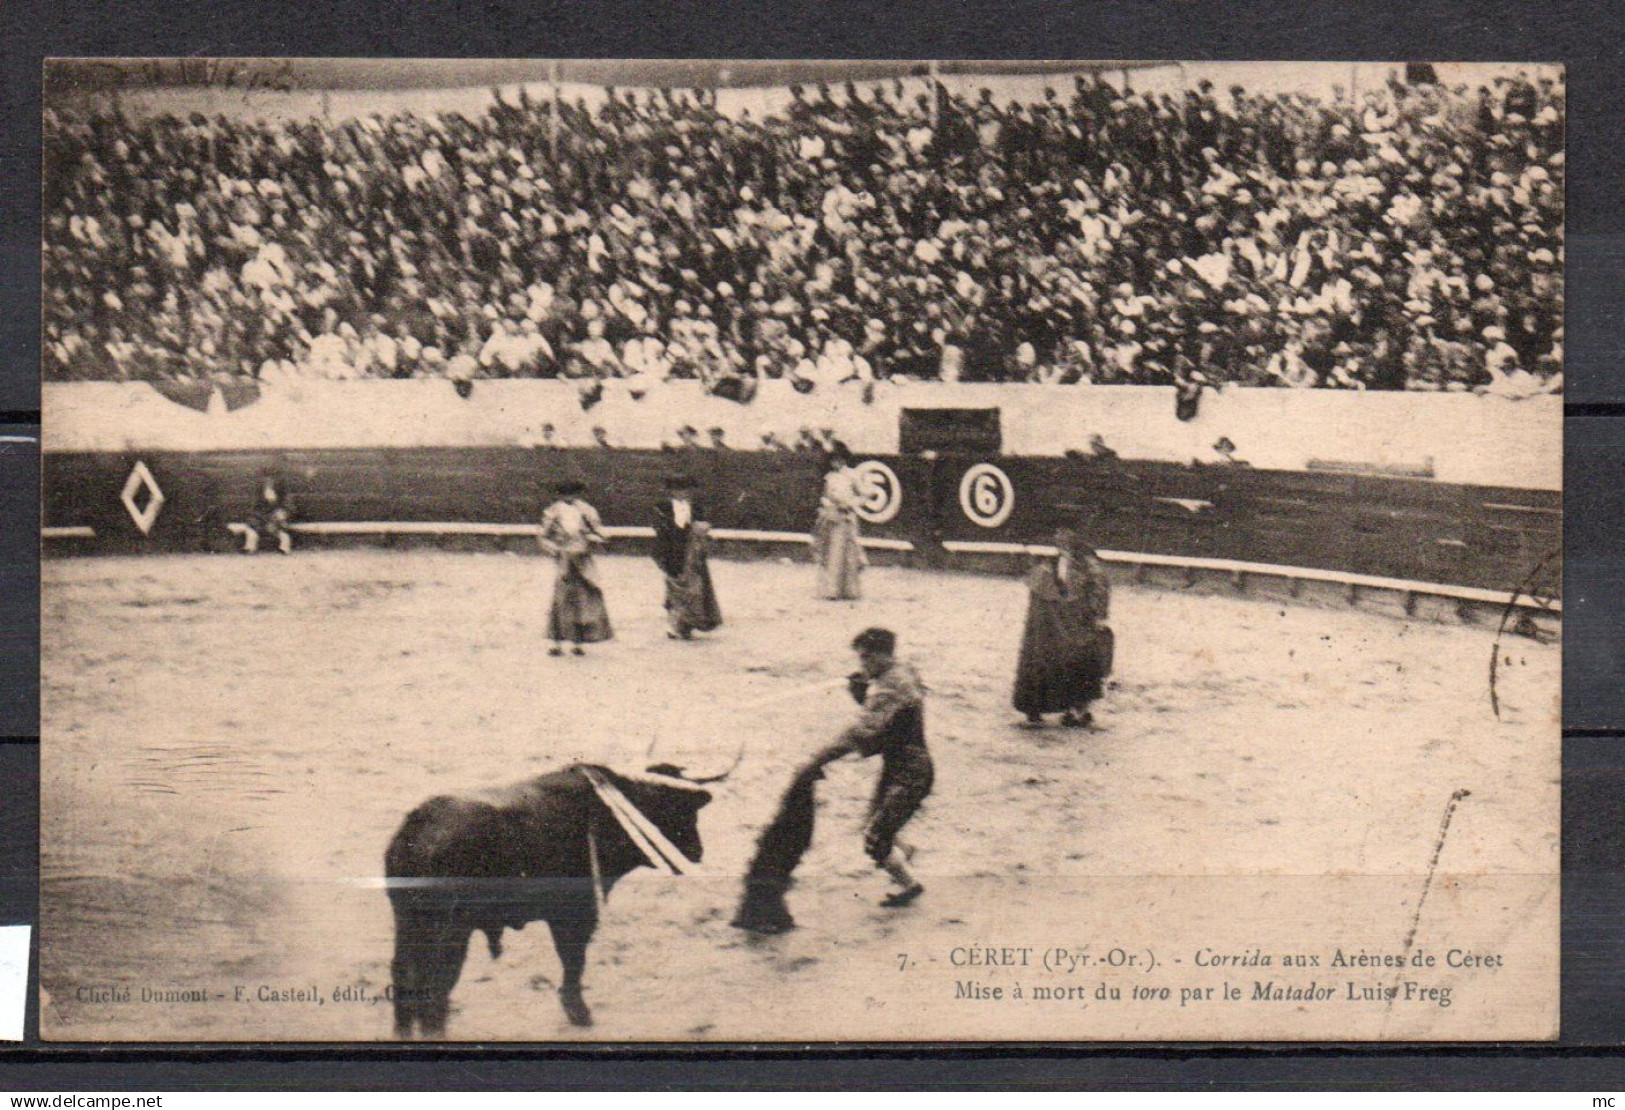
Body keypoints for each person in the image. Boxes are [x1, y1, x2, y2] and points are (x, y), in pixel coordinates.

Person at [809, 627, 932, 908]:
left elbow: (864, 730)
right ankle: (905, 854)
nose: (862, 665)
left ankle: (909, 885)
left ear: (882, 655)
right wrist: (862, 691)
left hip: (909, 772)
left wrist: (820, 758)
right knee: (877, 824)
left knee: (875, 837)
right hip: (904, 766)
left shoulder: (891, 686)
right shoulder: (901, 672)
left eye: (866, 659)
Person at [1012, 528, 1114, 729]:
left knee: (1072, 660)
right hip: (1063, 620)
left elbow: (1099, 589)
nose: (1060, 541)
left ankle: (1073, 708)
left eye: (1065, 538)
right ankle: (1069, 708)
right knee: (1068, 660)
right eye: (1059, 537)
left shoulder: (1083, 564)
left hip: (1077, 619)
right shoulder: (1057, 565)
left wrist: (1099, 615)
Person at [538, 478, 613, 656]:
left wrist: (604, 536)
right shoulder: (553, 511)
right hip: (564, 559)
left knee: (582, 599)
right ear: (560, 494)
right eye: (565, 493)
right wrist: (554, 550)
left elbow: (598, 529)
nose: (569, 497)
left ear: (578, 494)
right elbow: (542, 537)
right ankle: (556, 643)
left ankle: (578, 642)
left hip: (582, 559)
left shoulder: (587, 510)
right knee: (562, 599)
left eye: (573, 493)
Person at [652, 473, 722, 640]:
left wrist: (701, 530)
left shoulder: (696, 507)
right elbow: (659, 529)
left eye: (685, 489)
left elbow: (703, 526)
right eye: (677, 489)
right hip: (671, 550)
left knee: (693, 589)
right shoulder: (662, 507)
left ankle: (685, 625)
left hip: (692, 552)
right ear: (671, 491)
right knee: (674, 586)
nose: (682, 493)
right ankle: (673, 624)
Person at [811, 447, 866, 600]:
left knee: (846, 553)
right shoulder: (829, 477)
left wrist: (850, 504)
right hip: (831, 517)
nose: (836, 462)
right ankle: (831, 591)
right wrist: (826, 504)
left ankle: (849, 591)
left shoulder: (852, 475)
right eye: (833, 459)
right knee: (832, 552)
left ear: (844, 459)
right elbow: (824, 496)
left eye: (839, 458)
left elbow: (864, 495)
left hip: (846, 517)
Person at [241, 473, 294, 555]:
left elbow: (288, 507)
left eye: (271, 480)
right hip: (261, 518)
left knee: (281, 530)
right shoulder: (258, 494)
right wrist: (261, 519)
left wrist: (280, 514)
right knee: (252, 530)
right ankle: (250, 547)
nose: (269, 482)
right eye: (266, 480)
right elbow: (253, 510)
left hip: (276, 518)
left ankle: (284, 547)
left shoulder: (283, 494)